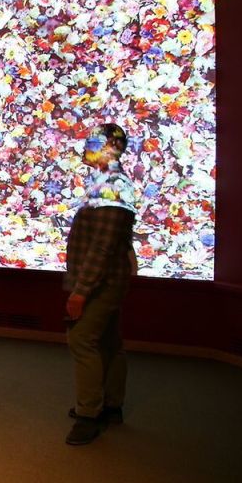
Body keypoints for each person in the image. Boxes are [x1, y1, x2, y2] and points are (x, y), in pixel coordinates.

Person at [63, 122, 137, 445]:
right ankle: (111, 405)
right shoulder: (105, 182)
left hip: (101, 282)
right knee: (108, 340)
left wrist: (81, 291)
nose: (85, 147)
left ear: (111, 148)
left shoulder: (113, 185)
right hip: (107, 279)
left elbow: (102, 246)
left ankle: (89, 415)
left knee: (81, 339)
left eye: (93, 142)